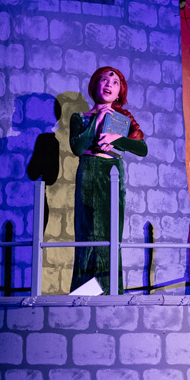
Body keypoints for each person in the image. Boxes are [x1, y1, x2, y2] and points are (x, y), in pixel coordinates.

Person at [69, 66, 147, 294]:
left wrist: (116, 139)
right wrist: (98, 118)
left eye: (115, 83)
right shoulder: (80, 118)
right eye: (104, 80)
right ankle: (84, 293)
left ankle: (111, 291)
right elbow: (78, 148)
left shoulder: (123, 119)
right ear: (95, 84)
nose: (109, 85)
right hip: (89, 172)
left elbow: (142, 149)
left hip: (113, 173)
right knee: (88, 234)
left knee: (112, 234)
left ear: (120, 91)